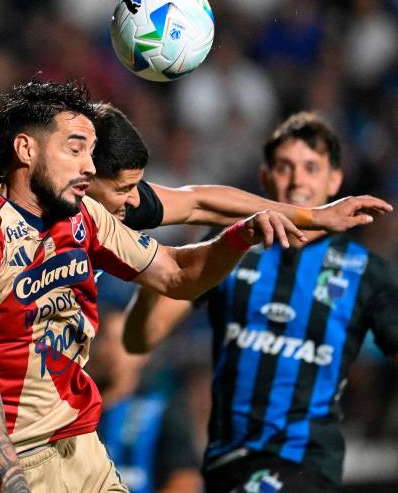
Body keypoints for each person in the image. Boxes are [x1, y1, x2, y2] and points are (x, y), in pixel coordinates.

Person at [0, 101, 390, 492]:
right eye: (123, 189)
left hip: (58, 427)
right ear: (82, 174)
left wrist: (311, 217)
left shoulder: (101, 210)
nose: (134, 203)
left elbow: (199, 203)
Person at [123, 112, 397, 492]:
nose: (298, 179)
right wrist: (163, 265)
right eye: (284, 167)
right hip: (224, 462)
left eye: (311, 168)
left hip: (304, 462)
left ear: (336, 179)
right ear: (265, 178)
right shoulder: (232, 246)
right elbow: (141, 339)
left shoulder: (366, 272)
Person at [88, 308, 201, 493]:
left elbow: (185, 478)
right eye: (105, 339)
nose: (112, 351)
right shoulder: (74, 409)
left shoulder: (160, 408)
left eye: (123, 342)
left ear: (143, 353)